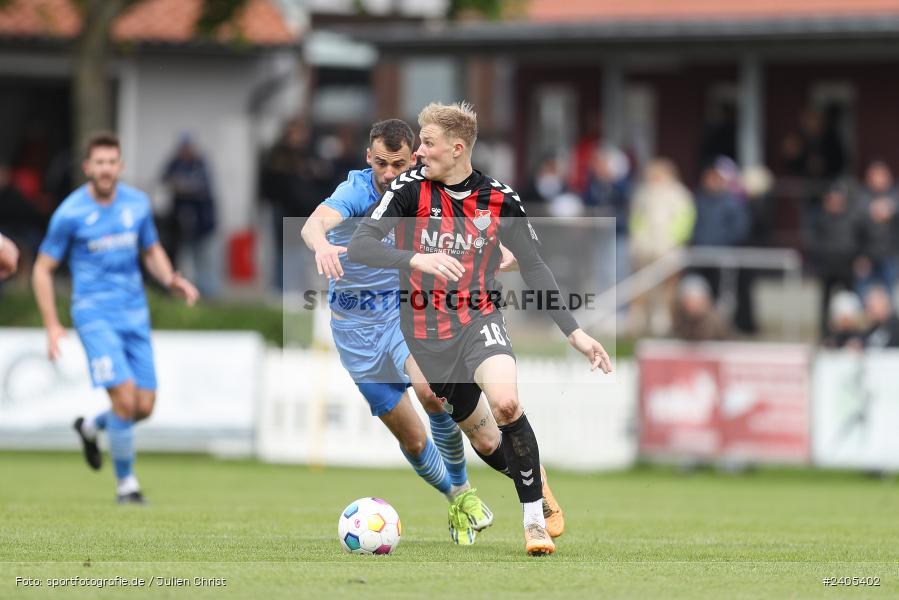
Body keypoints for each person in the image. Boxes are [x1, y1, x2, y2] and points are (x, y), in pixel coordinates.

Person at [348, 102, 613, 556]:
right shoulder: (408, 192)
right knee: (489, 439)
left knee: (507, 403)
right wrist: (415, 258)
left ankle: (533, 524)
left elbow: (534, 265)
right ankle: (537, 479)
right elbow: (361, 246)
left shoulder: (500, 199)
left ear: (455, 149)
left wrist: (575, 332)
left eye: (426, 144)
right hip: (428, 337)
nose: (417, 154)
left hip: (480, 318)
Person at [300, 119, 494, 545]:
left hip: (400, 314)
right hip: (353, 332)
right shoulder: (356, 191)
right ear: (369, 158)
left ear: (414, 159)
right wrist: (323, 245)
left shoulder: (420, 192)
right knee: (411, 435)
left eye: (399, 164)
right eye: (381, 164)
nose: (389, 173)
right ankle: (458, 497)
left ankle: (467, 490)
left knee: (432, 393)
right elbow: (313, 224)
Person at [32, 132, 199, 504]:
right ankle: (127, 486)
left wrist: (171, 279)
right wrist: (52, 324)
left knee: (144, 406)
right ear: (88, 167)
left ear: (120, 166)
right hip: (94, 316)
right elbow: (42, 269)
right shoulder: (70, 213)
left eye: (112, 162)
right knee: (124, 400)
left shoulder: (137, 205)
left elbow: (151, 249)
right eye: (99, 163)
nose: (106, 169)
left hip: (134, 313)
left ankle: (92, 427)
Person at [161, 134, 220, 298]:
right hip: (183, 228)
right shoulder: (175, 163)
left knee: (206, 263)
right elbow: (164, 179)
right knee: (186, 264)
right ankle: (190, 295)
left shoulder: (200, 164)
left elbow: (199, 186)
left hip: (204, 225)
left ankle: (210, 296)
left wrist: (182, 185)